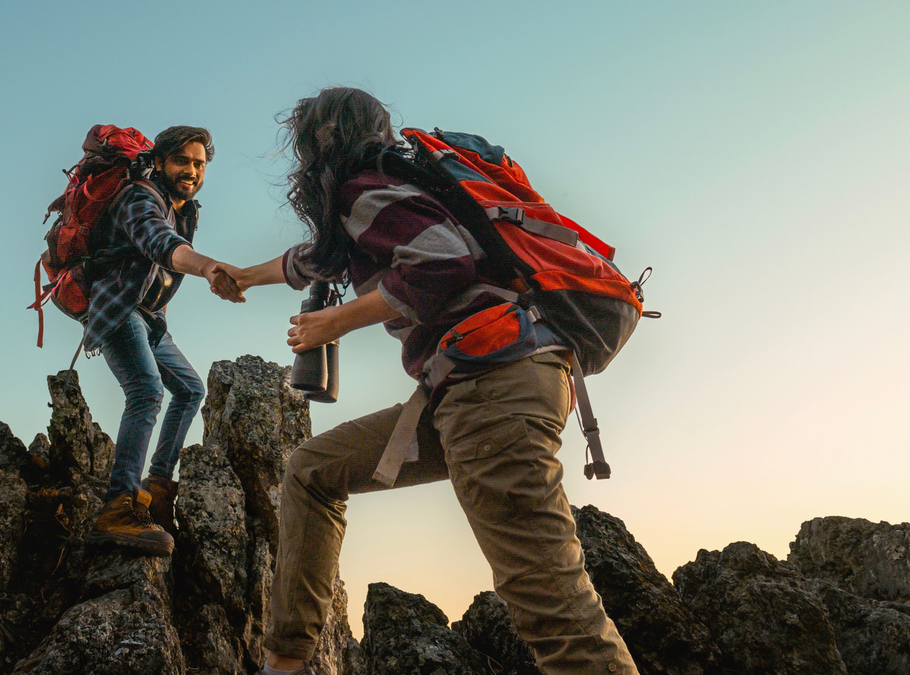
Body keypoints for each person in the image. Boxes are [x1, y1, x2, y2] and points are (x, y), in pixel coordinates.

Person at [215, 88, 638, 674]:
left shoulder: (363, 189)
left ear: (319, 141)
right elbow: (317, 258)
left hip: (493, 388)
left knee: (553, 607)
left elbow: (441, 262)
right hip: (484, 387)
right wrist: (242, 276)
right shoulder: (399, 187)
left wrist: (333, 321)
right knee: (311, 471)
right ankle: (283, 664)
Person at [85, 125, 242, 557]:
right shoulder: (140, 197)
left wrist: (162, 318)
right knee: (146, 391)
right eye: (182, 161)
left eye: (199, 164)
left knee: (190, 389)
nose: (192, 171)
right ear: (159, 162)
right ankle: (118, 506)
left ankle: (155, 490)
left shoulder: (186, 209)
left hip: (149, 317)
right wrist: (209, 267)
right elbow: (159, 243)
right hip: (118, 308)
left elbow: (164, 273)